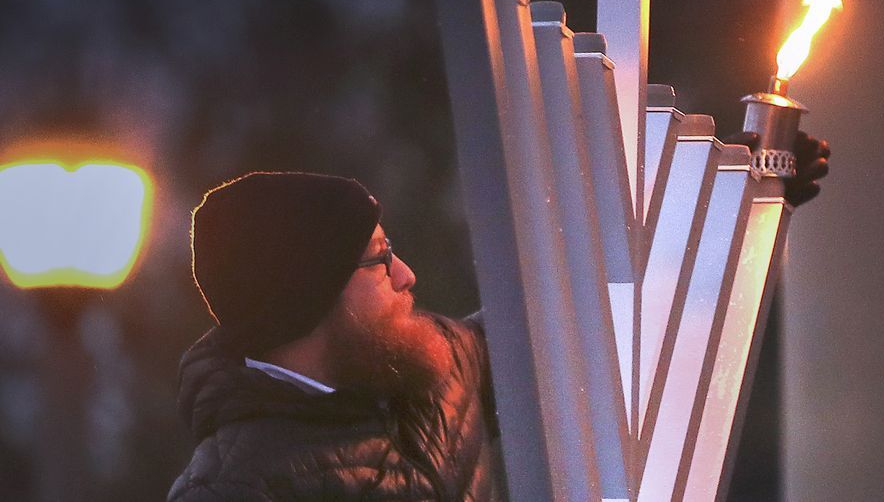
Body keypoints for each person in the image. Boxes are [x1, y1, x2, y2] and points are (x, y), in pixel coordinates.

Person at [169, 137, 829, 501]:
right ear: (305, 296)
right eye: (378, 261)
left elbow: (576, 320)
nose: (407, 275)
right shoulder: (232, 489)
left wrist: (730, 200)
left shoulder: (427, 370)